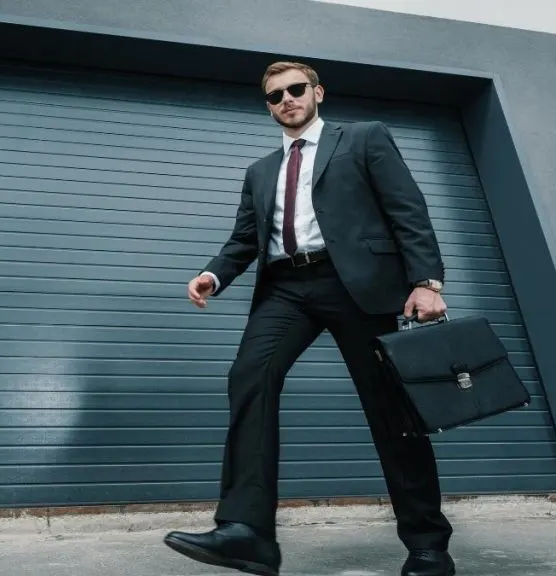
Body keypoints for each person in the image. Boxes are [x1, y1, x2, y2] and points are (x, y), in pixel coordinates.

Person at [162, 62, 456, 576]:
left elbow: (407, 208)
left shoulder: (363, 139)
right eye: (275, 96)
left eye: (296, 90)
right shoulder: (260, 171)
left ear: (317, 92)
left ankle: (428, 546)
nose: (287, 100)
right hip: (287, 289)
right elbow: (244, 240)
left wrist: (426, 281)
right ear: (269, 107)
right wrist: (213, 274)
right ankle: (247, 532)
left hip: (358, 285)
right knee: (249, 377)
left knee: (392, 411)